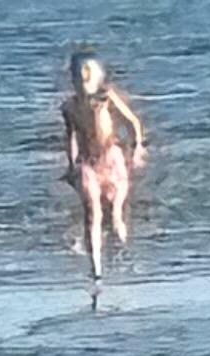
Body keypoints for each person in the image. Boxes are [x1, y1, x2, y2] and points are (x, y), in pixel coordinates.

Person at [56, 46, 144, 276]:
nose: (82, 81)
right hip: (88, 163)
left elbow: (132, 122)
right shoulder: (69, 107)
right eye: (78, 76)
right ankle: (96, 268)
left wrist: (137, 148)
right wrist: (71, 165)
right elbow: (71, 137)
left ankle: (124, 254)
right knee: (92, 213)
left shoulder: (106, 97)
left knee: (115, 215)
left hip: (112, 158)